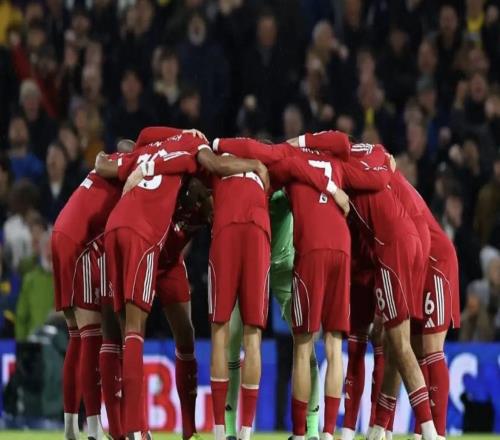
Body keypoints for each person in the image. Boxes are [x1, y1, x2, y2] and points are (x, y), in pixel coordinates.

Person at [98, 127, 269, 439]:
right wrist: (144, 157)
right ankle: (131, 428)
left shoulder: (211, 188)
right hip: (146, 244)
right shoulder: (190, 161)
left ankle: (189, 430)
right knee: (125, 331)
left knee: (186, 335)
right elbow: (130, 143)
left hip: (169, 261)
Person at [15, 230, 54, 341]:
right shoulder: (30, 280)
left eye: (53, 248)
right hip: (33, 343)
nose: (50, 253)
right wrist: (22, 345)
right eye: (47, 248)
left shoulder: (69, 278)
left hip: (59, 345)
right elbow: (21, 317)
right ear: (41, 251)